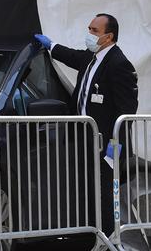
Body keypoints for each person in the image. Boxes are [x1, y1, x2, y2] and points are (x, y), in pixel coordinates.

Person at [34, 13, 138, 237]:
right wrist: (51, 45)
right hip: (86, 141)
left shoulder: (119, 64)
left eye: (94, 31)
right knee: (91, 194)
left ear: (108, 37)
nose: (89, 34)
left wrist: (114, 146)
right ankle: (96, 237)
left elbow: (126, 111)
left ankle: (110, 240)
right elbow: (71, 56)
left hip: (107, 145)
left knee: (106, 196)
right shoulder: (92, 58)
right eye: (89, 28)